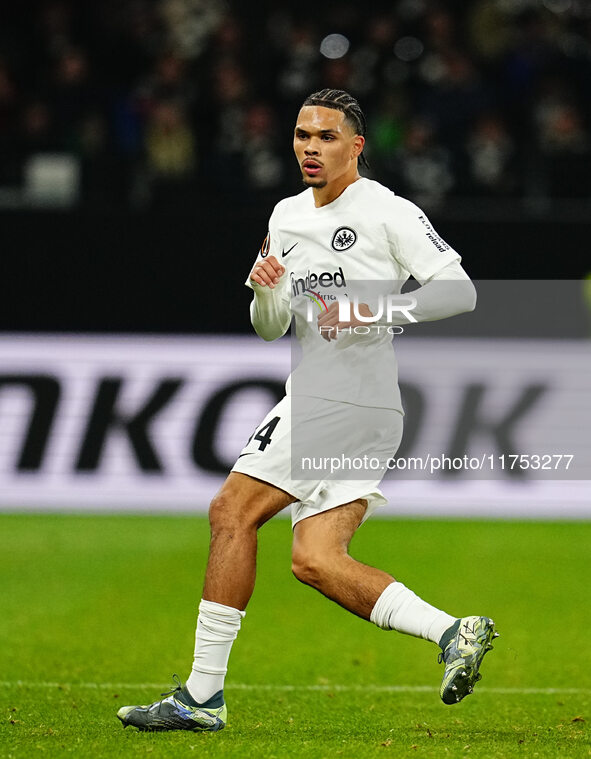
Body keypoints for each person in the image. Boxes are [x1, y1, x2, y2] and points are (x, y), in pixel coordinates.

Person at [117, 89, 498, 733]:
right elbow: (270, 328)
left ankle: (200, 697)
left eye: (325, 137)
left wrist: (373, 310)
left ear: (357, 146)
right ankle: (452, 631)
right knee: (316, 559)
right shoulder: (287, 216)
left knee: (231, 512)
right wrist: (267, 293)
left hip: (341, 399)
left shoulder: (384, 210)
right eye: (301, 135)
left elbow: (458, 291)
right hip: (352, 403)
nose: (309, 148)